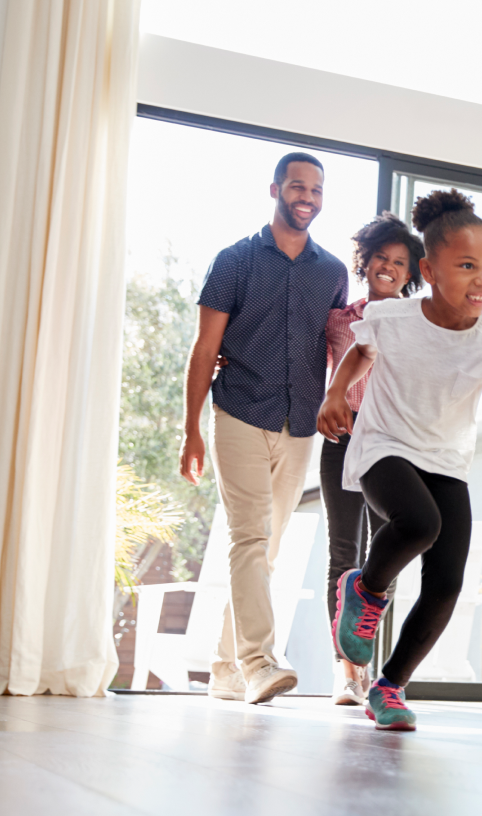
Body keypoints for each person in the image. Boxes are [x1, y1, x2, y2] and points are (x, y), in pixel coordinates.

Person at [317, 189, 482, 731]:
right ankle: (365, 589)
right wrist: (335, 394)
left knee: (447, 583)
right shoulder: (393, 318)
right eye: (467, 266)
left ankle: (388, 688)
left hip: (445, 461)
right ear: (430, 270)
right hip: (382, 445)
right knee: (419, 523)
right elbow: (359, 352)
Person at [179, 151, 348, 705]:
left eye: (316, 190)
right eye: (298, 187)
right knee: (249, 537)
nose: (307, 197)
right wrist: (191, 429)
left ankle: (224, 667)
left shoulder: (332, 272)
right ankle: (259, 663)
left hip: (300, 422)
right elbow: (205, 350)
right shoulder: (235, 261)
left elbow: (340, 345)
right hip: (239, 412)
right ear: (275, 188)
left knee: (265, 550)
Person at [321, 212, 424, 706]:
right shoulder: (340, 318)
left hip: (390, 447)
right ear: (366, 262)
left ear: (411, 273)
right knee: (344, 555)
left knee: (387, 558)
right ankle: (348, 674)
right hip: (341, 439)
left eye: (399, 262)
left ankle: (385, 677)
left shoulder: (416, 322)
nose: (388, 266)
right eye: (381, 257)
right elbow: (301, 358)